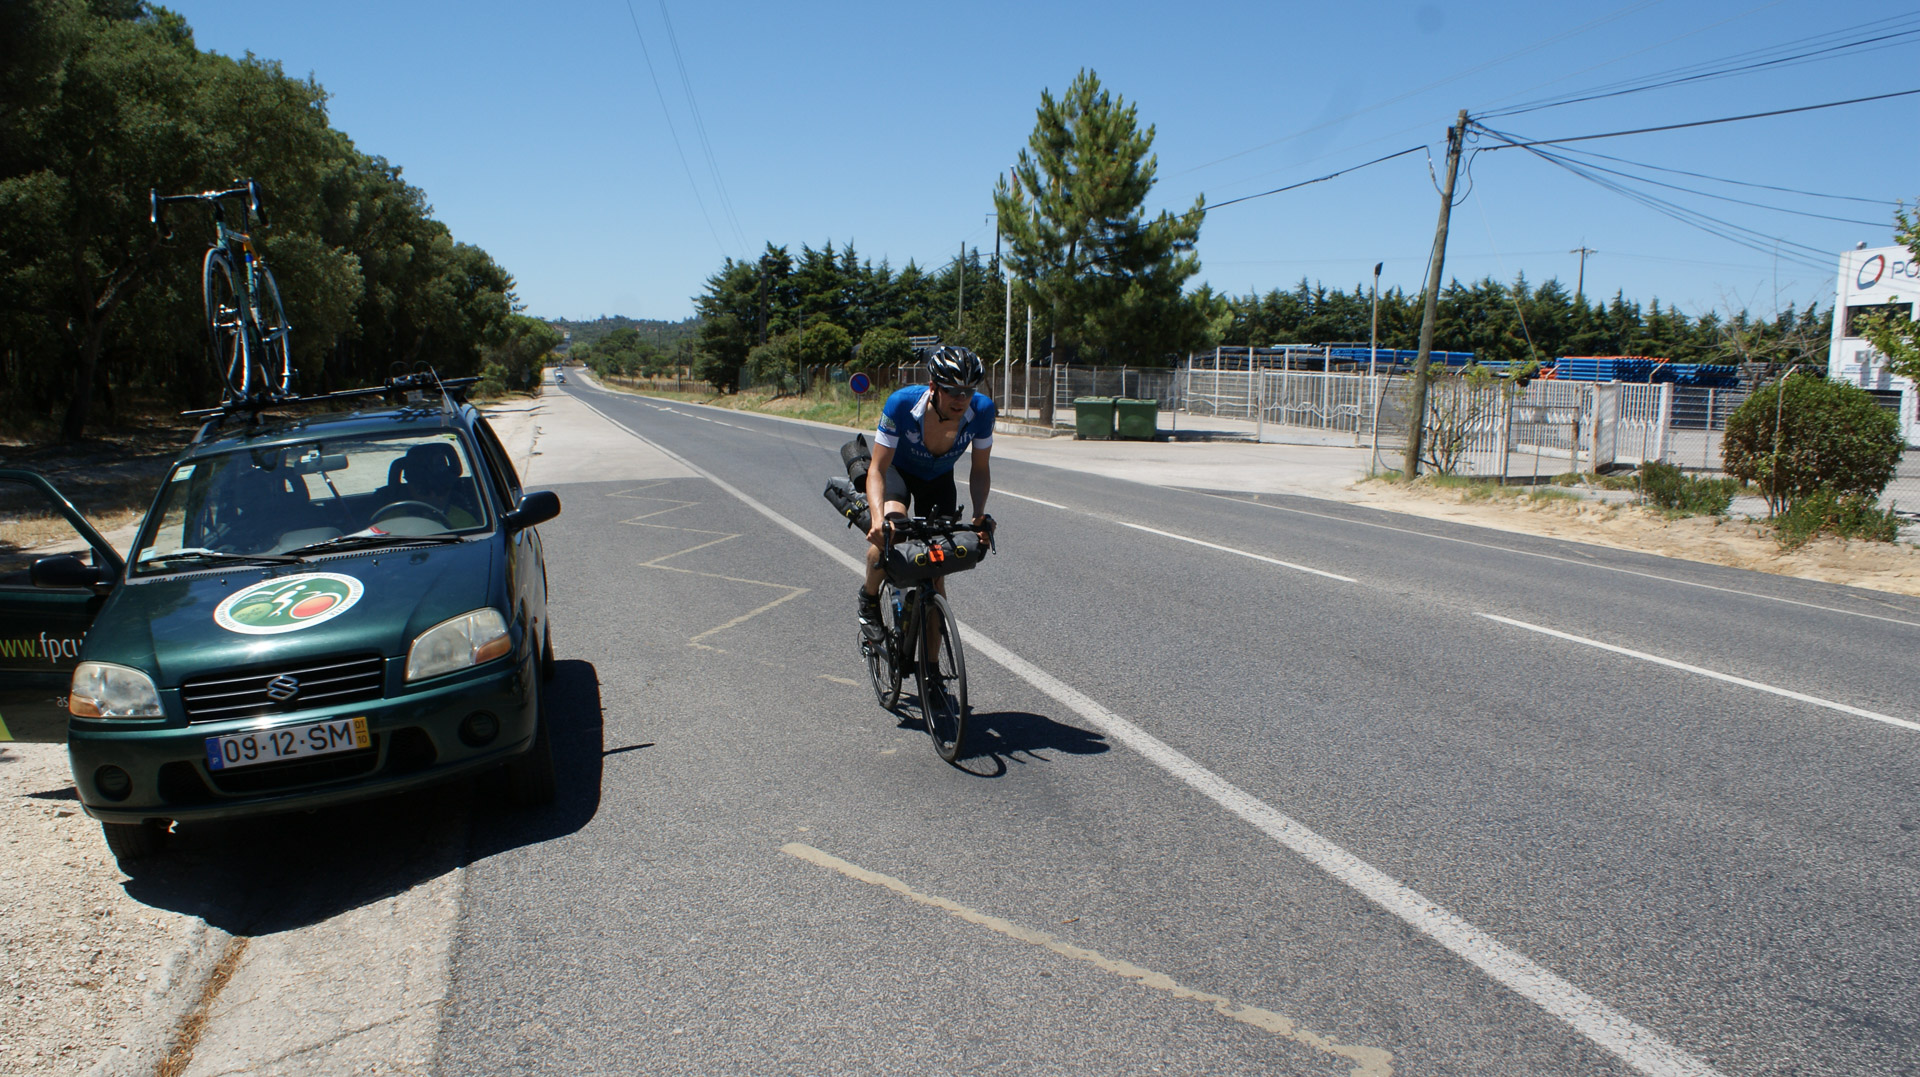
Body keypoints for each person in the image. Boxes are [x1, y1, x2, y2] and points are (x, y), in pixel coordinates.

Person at [858, 346, 996, 628]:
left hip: (939, 478)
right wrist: (878, 520)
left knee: (937, 565)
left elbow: (980, 469)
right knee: (892, 533)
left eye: (969, 391)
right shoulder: (901, 404)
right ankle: (869, 597)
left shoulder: (982, 411)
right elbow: (877, 468)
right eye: (953, 390)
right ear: (933, 386)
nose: (962, 399)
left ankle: (932, 669)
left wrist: (979, 516)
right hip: (899, 471)